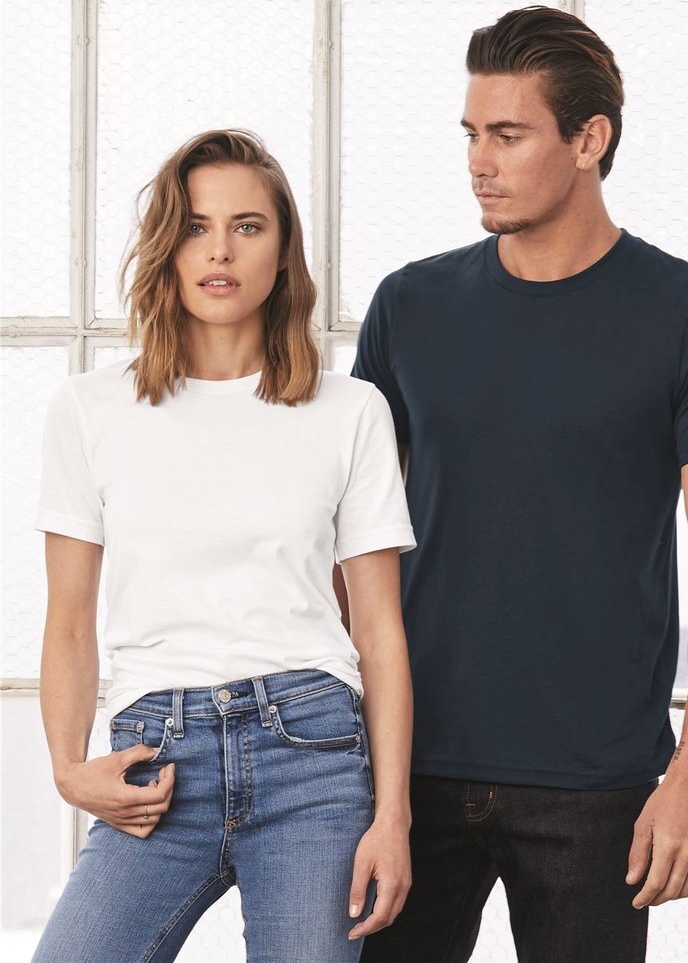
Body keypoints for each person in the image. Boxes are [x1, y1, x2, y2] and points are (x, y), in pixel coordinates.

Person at [350, 6, 688, 963]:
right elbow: (352, 539)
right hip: (408, 771)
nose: (479, 162)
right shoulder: (409, 307)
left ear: (590, 140)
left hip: (598, 786)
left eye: (508, 135)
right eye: (471, 133)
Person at [33, 129, 415, 963]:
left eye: (248, 226)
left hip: (312, 757)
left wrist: (393, 815)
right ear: (167, 248)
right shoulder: (89, 409)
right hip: (155, 761)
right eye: (195, 226)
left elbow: (380, 632)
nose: (220, 250)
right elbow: (68, 619)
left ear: (283, 251)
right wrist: (68, 768)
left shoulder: (351, 412)